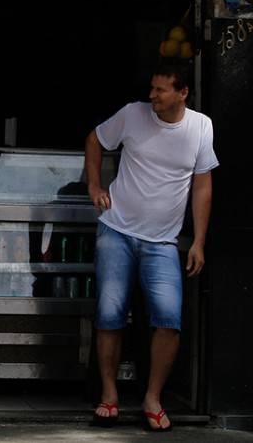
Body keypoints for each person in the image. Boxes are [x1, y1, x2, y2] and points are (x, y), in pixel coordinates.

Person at [84, 59, 219, 432]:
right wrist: (95, 187)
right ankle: (109, 396)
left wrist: (200, 242)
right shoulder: (132, 114)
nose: (152, 96)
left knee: (169, 319)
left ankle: (152, 398)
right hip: (116, 232)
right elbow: (95, 139)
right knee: (110, 314)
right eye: (152, 88)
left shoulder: (200, 127)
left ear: (182, 93)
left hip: (162, 242)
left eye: (160, 90)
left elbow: (203, 185)